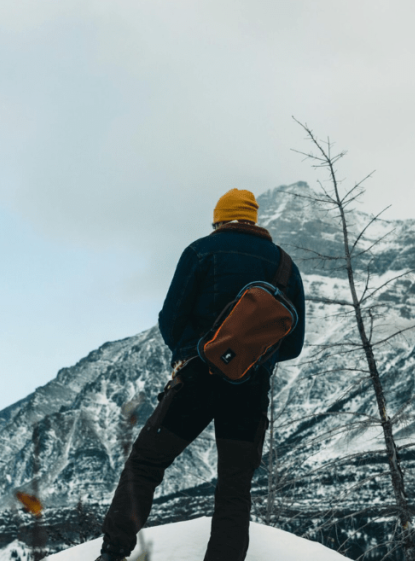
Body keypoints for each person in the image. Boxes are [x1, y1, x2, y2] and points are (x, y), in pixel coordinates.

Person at [97, 188, 306, 561]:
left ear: (220, 219)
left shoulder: (200, 251)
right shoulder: (285, 267)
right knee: (234, 487)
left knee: (146, 463)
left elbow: (170, 320)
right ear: (254, 220)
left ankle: (114, 552)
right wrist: (253, 359)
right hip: (250, 391)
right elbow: (292, 344)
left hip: (197, 379)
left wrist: (194, 352)